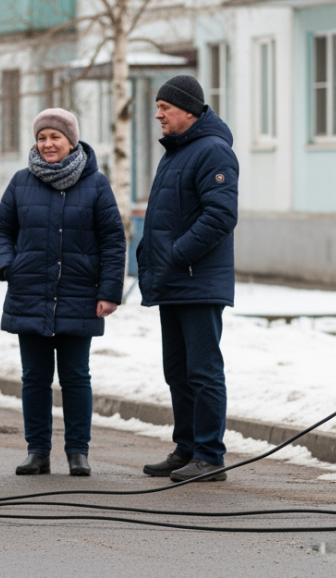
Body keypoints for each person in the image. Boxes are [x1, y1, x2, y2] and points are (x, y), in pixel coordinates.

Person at [0, 108, 126, 477]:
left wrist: (110, 291)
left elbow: (113, 240)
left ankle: (78, 452)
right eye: (42, 138)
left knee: (76, 376)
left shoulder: (95, 184)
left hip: (79, 296)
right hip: (30, 293)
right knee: (34, 377)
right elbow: (0, 228)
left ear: (72, 141)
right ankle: (38, 452)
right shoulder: (20, 182)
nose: (48, 144)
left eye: (55, 137)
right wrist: (8, 266)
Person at [136, 75, 239, 483]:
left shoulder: (212, 151)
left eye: (165, 108)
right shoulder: (177, 152)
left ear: (190, 111)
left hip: (197, 280)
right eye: (158, 107)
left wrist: (177, 255)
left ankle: (210, 456)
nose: (158, 114)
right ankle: (187, 447)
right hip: (175, 280)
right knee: (177, 371)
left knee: (203, 370)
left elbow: (220, 216)